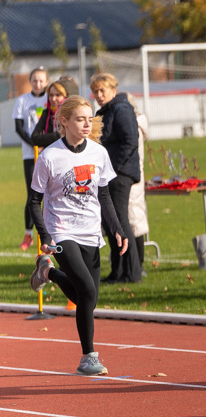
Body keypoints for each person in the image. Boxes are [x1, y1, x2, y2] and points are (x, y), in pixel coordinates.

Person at [27, 95, 128, 375]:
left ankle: (48, 274)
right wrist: (45, 235)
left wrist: (118, 228)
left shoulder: (98, 153)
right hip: (62, 232)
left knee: (89, 299)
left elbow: (104, 195)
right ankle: (88, 358)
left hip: (90, 231)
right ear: (64, 122)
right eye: (81, 119)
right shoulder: (49, 156)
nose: (87, 124)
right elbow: (34, 201)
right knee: (86, 290)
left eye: (90, 119)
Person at [90, 73, 141, 284]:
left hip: (120, 174)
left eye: (102, 90)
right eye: (95, 91)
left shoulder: (121, 109)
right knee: (110, 221)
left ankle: (132, 272)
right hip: (108, 174)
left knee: (120, 220)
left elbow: (130, 141)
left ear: (113, 89)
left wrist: (114, 169)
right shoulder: (107, 111)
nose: (99, 95)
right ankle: (117, 271)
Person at [13, 67, 49, 251]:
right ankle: (29, 234)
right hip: (30, 153)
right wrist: (34, 144)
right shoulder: (22, 100)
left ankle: (49, 234)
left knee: (50, 194)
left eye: (41, 80)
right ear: (30, 81)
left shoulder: (50, 100)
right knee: (32, 195)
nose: (38, 84)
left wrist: (44, 144)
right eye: (35, 80)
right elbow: (19, 127)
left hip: (48, 153)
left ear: (46, 82)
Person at [126, 95, 150, 274]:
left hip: (133, 177)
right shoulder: (133, 123)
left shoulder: (134, 125)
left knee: (135, 221)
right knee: (129, 221)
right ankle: (130, 264)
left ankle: (138, 265)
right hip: (131, 175)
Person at [32, 76, 79, 150]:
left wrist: (46, 138)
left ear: (65, 96)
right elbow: (34, 138)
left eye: (58, 95)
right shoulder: (46, 112)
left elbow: (72, 136)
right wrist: (57, 136)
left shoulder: (71, 114)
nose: (53, 99)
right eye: (51, 95)